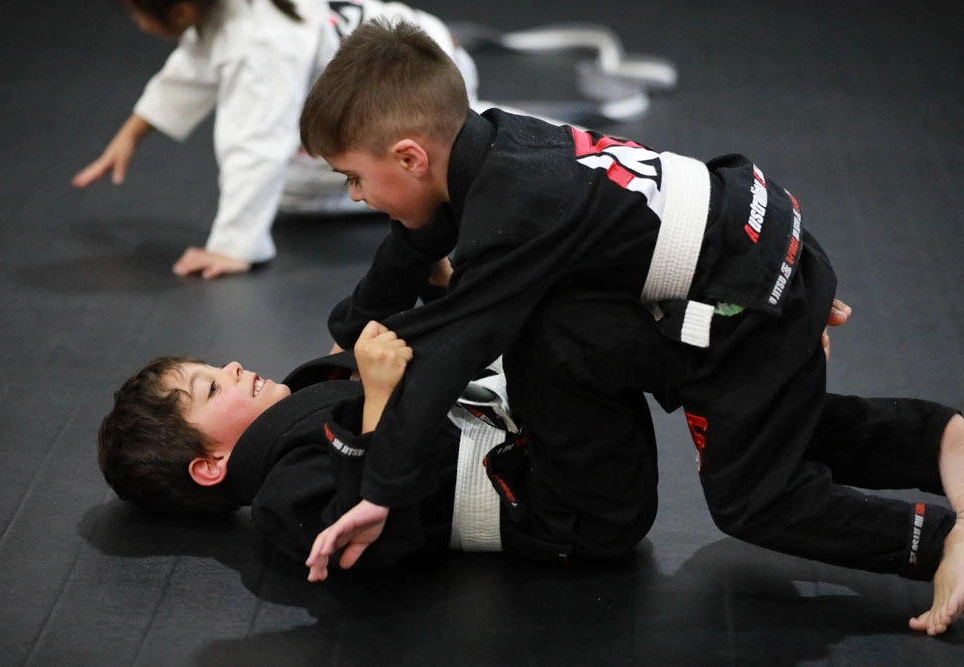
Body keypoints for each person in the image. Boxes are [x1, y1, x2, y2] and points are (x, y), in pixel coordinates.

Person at [295, 19, 963, 634]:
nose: (356, 195)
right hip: (753, 231)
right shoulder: (497, 142)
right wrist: (352, 328)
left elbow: (449, 350)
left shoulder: (507, 214)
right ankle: (936, 439)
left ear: (411, 158)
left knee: (752, 498)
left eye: (354, 178)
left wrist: (380, 490)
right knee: (756, 419)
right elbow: (415, 243)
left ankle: (936, 542)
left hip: (744, 295)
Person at [97, 318, 659, 568]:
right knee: (562, 326)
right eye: (213, 387)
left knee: (545, 286)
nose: (234, 366)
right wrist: (381, 394)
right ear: (211, 465)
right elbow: (369, 528)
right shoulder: (280, 502)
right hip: (573, 509)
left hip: (555, 449)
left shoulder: (306, 401)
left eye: (216, 366)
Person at [72, 0, 479, 279]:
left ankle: (476, 128)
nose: (136, 22)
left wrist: (234, 246)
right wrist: (131, 134)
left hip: (417, 78)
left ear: (180, 10)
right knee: (287, 177)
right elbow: (191, 68)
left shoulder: (258, 46)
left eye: (135, 12)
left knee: (290, 183)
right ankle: (466, 124)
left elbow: (257, 147)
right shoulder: (233, 12)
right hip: (419, 53)